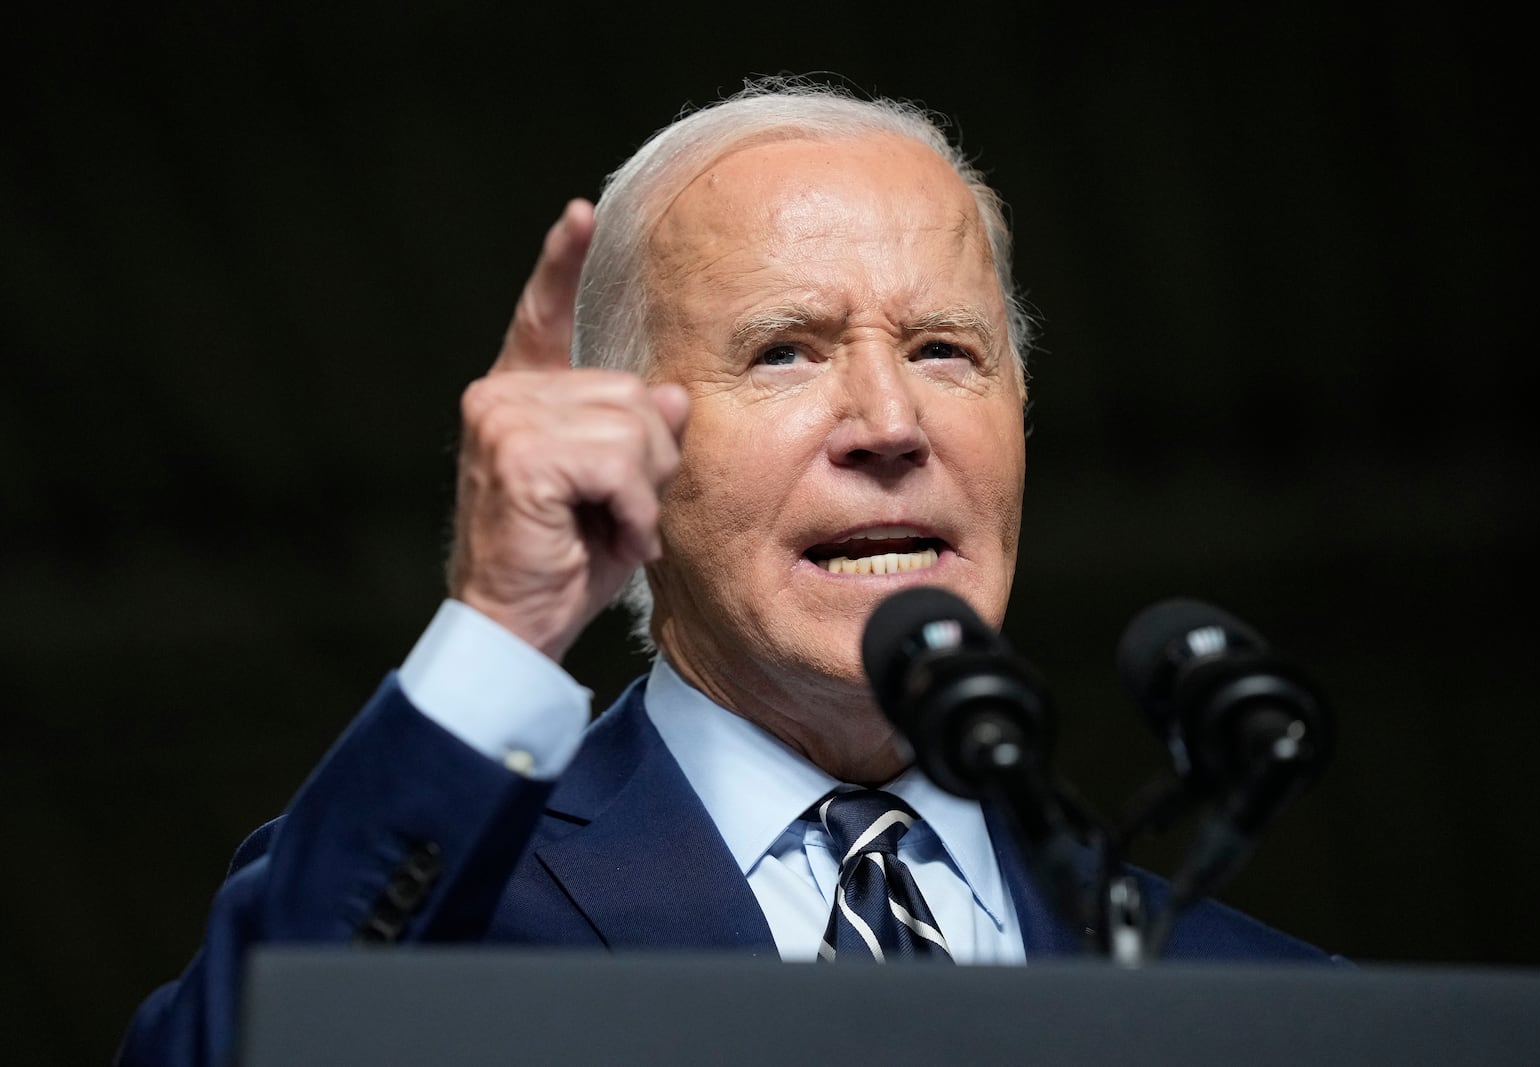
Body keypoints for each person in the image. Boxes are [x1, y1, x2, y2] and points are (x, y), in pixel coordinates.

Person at [116, 77, 1333, 1067]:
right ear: (625, 433)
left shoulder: (1272, 1004)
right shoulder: (432, 915)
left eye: (945, 349)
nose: (890, 420)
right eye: (786, 351)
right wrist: (501, 626)